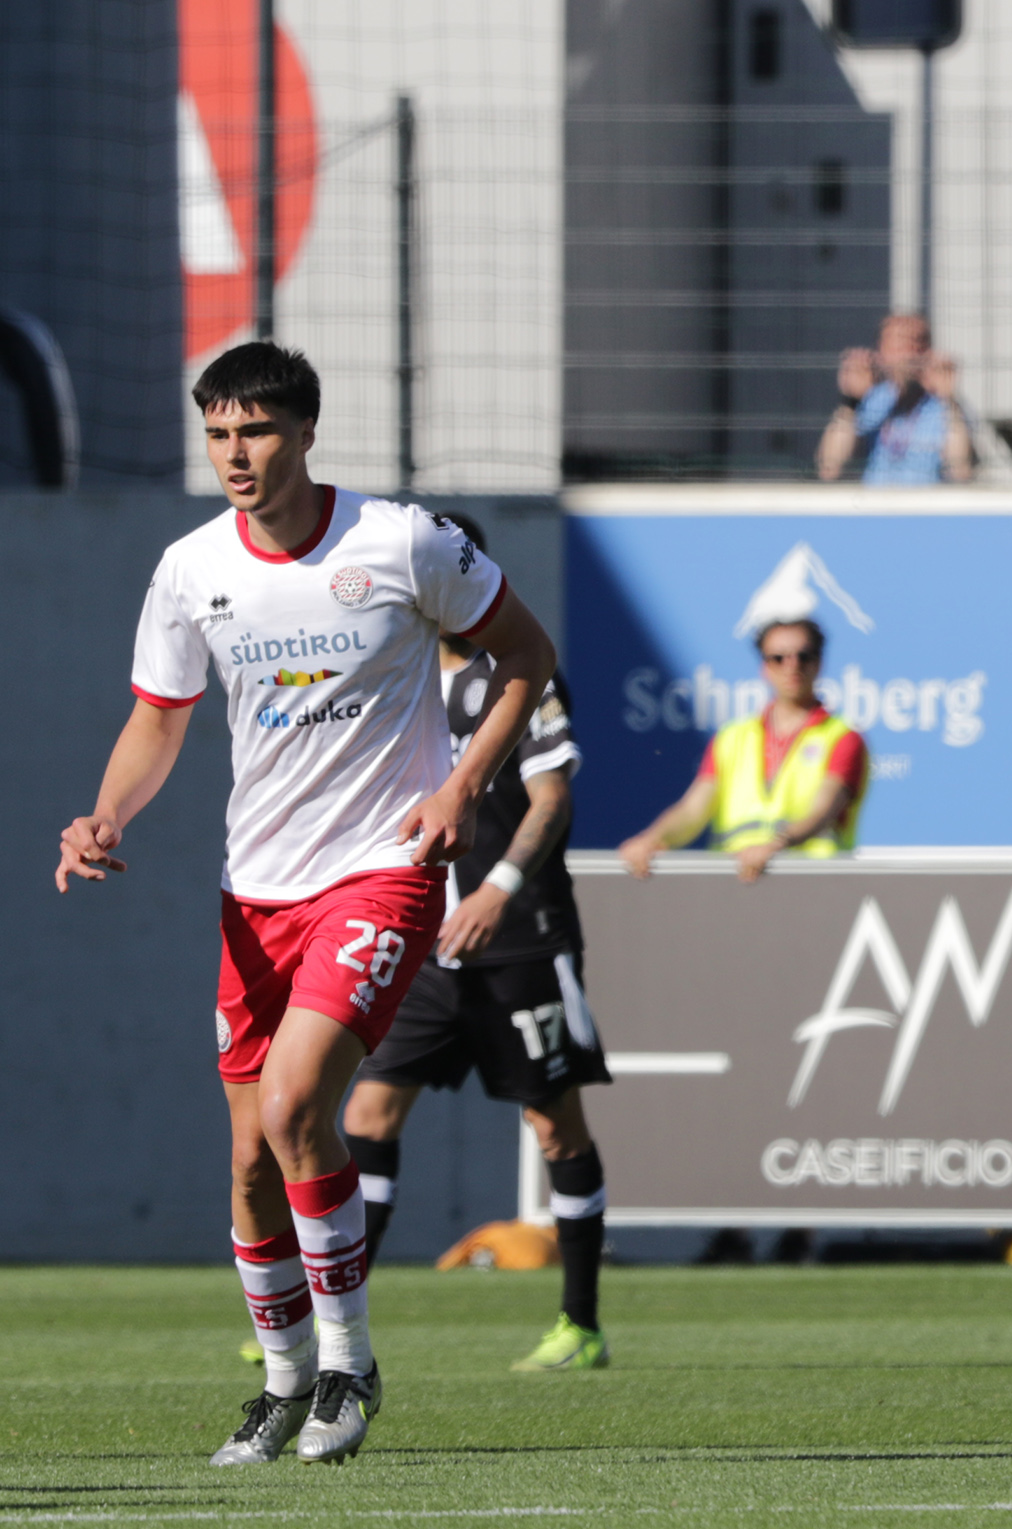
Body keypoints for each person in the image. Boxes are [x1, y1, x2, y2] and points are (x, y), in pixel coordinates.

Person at [55, 341, 556, 1465]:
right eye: (219, 434)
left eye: (258, 431)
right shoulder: (190, 568)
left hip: (381, 869)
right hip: (257, 890)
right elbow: (158, 719)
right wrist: (106, 814)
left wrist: (462, 786)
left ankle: (349, 1363)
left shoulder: (403, 541)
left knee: (293, 1108)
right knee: (248, 1160)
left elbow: (526, 655)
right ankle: (282, 1383)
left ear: (307, 433)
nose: (236, 454)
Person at [339, 516, 616, 1373]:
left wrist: (498, 889)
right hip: (423, 943)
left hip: (518, 937)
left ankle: (580, 1323)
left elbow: (551, 798)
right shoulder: (394, 677)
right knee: (366, 1115)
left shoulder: (520, 671)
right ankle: (332, 1323)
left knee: (554, 1124)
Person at [617, 617, 868, 881]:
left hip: (812, 884)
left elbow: (823, 811)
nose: (792, 666)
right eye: (778, 658)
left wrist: (775, 845)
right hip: (734, 885)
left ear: (818, 663)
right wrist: (651, 839)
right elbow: (692, 811)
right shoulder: (732, 737)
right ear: (764, 666)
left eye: (803, 656)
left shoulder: (842, 737)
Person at [813, 313, 974, 485]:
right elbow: (829, 468)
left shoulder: (942, 406)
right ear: (881, 352)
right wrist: (850, 402)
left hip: (925, 500)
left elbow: (960, 472)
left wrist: (949, 399)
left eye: (916, 344)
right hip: (877, 499)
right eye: (898, 346)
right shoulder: (872, 399)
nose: (908, 355)